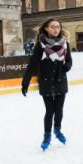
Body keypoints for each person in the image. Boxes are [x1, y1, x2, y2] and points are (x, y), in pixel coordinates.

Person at [22, 18, 72, 151]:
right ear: (46, 28)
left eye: (58, 26)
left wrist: (65, 68)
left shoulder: (65, 43)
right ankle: (47, 136)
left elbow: (69, 61)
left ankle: (57, 130)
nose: (56, 29)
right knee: (50, 111)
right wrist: (25, 82)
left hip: (61, 80)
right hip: (46, 81)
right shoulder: (41, 45)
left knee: (59, 110)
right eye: (53, 26)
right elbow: (32, 64)